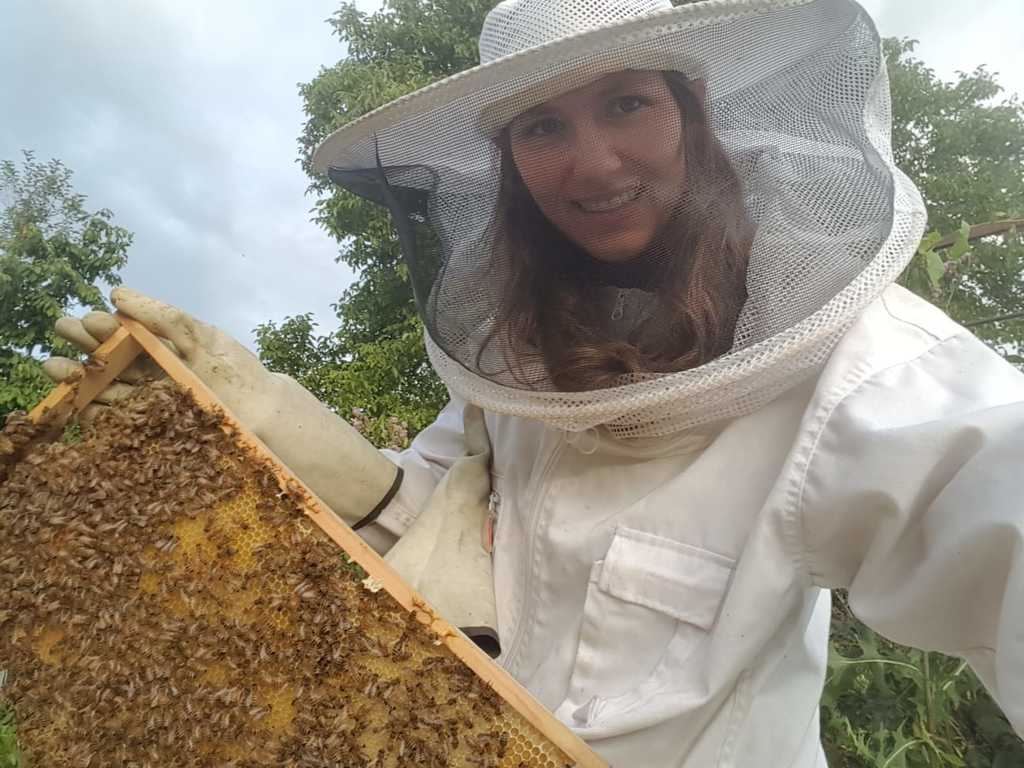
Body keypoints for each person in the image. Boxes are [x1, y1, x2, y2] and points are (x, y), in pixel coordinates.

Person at [45, 0, 1024, 765]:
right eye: (542, 126)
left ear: (692, 114)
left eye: (626, 104)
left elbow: (997, 503)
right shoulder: (512, 362)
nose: (591, 161)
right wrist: (277, 435)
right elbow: (456, 530)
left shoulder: (860, 369)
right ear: (508, 162)